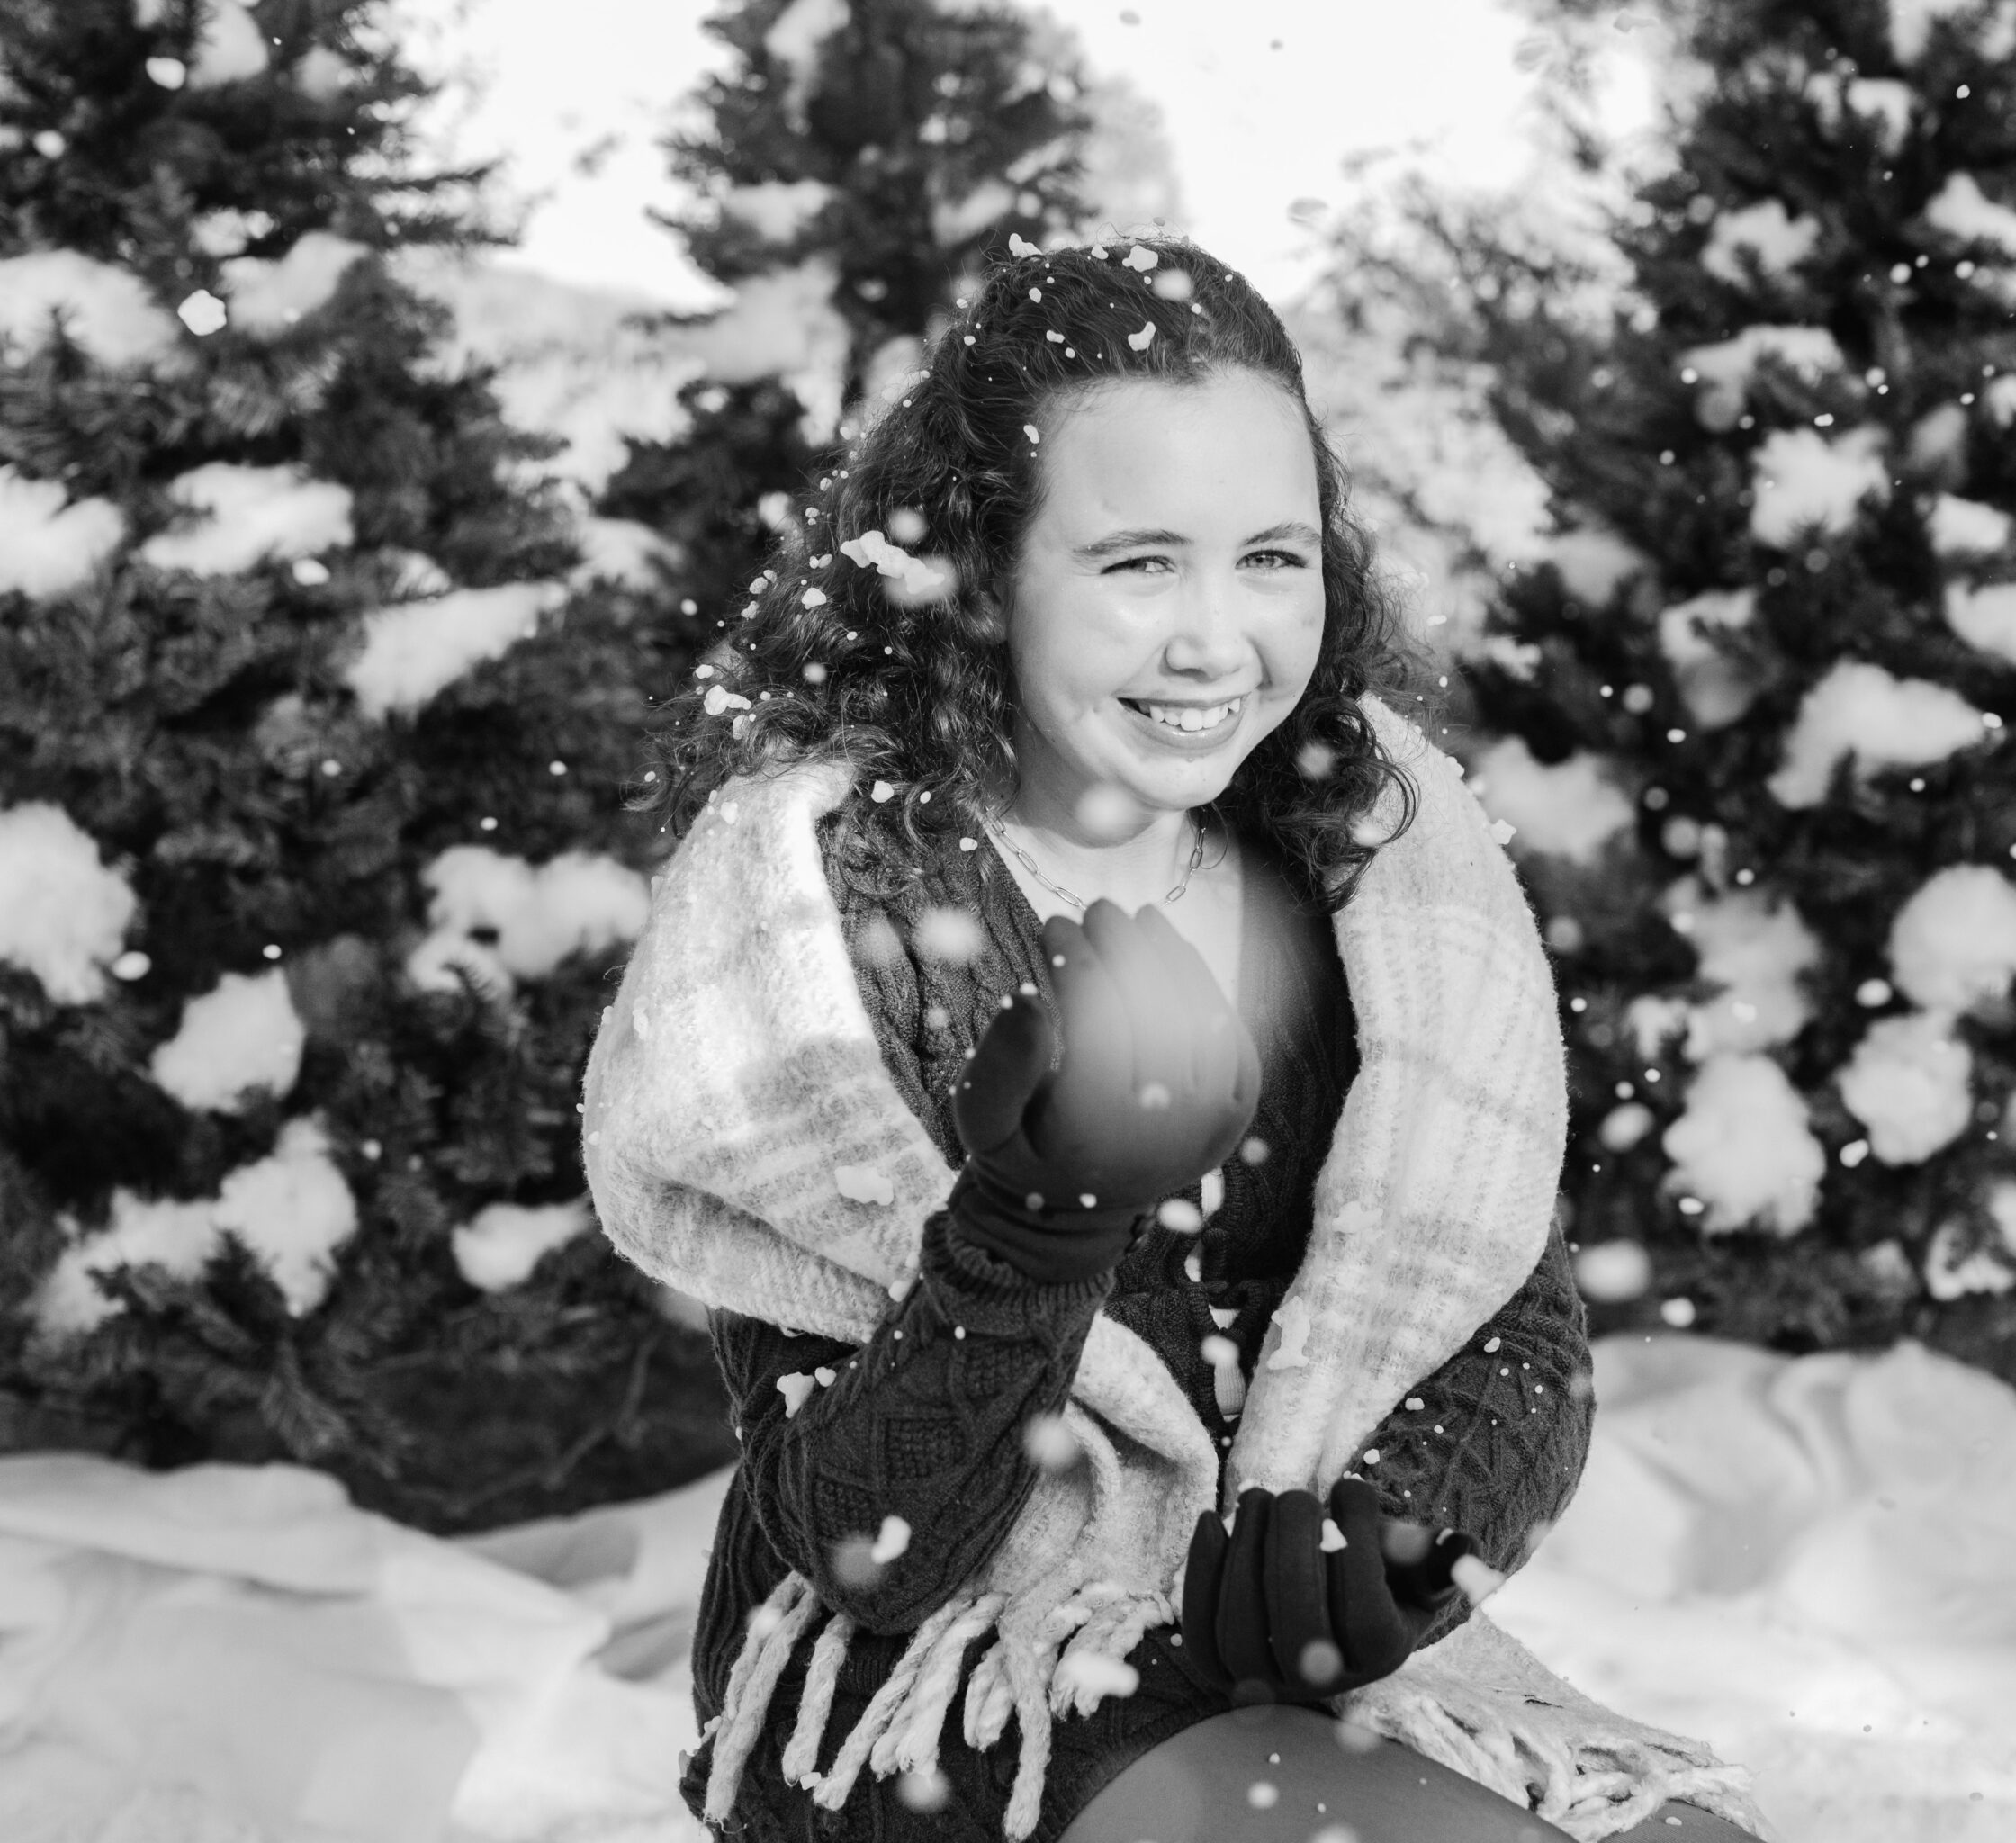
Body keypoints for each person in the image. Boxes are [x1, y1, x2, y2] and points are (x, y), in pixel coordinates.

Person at [580, 232, 1770, 1843]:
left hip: (1282, 1658)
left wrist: (1402, 1546)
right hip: (933, 1675)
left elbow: (1514, 1321)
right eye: (1141, 563)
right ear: (987, 572)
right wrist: (1031, 1226)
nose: (1220, 639)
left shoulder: (1377, 862)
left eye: (1272, 558)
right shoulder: (823, 898)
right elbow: (863, 1540)